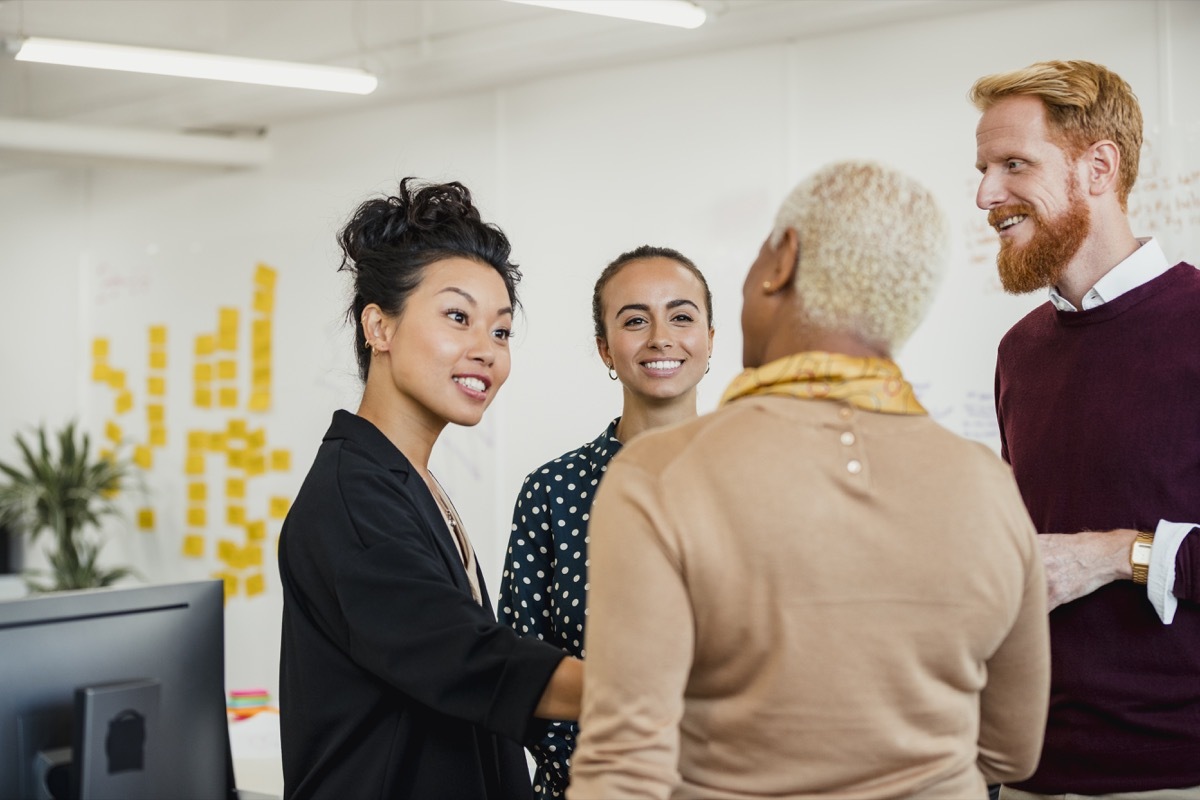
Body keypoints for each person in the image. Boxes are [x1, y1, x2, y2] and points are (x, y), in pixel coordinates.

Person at [568, 160, 1051, 800]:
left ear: (782, 259)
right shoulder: (987, 486)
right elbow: (1010, 750)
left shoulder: (658, 476)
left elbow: (623, 770)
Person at [277, 178, 583, 800]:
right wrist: (671, 691)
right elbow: (467, 658)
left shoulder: (404, 478)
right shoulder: (353, 501)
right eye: (456, 317)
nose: (486, 351)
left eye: (500, 332)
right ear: (379, 327)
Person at [971, 60, 1200, 799]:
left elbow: (1081, 558)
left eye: (1014, 165)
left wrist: (1117, 555)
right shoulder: (1020, 351)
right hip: (1028, 771)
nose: (985, 195)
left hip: (1172, 774)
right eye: (982, 169)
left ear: (1098, 167)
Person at [499, 245, 714, 799]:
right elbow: (519, 668)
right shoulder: (552, 492)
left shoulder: (762, 480)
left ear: (710, 341)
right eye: (635, 320)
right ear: (605, 349)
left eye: (682, 316)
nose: (661, 337)